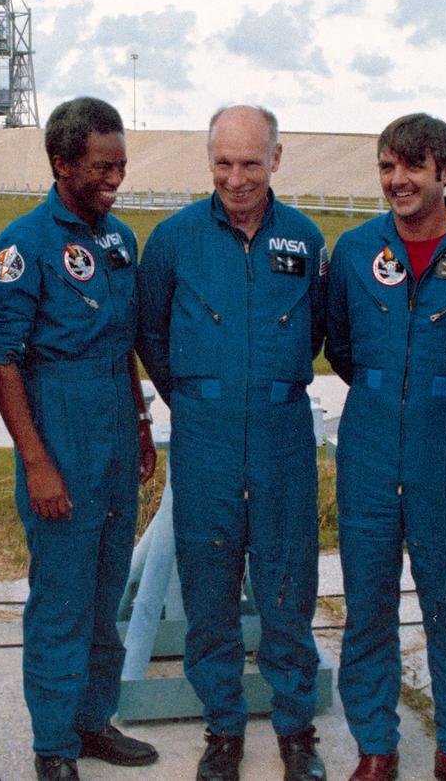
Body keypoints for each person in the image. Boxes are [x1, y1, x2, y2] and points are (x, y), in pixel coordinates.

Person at [324, 113, 446, 781]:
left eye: (412, 166)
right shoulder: (356, 249)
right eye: (387, 167)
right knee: (368, 607)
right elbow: (341, 347)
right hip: (369, 451)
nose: (397, 180)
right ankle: (375, 744)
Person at [136, 104, 328, 781]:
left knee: (287, 584)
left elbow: (316, 332)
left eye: (250, 163)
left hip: (282, 435)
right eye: (224, 163)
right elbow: (150, 332)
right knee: (209, 586)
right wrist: (196, 396)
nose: (236, 178)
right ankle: (222, 727)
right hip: (205, 436)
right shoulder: (173, 239)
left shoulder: (304, 238)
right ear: (209, 160)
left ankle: (296, 729)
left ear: (276, 159)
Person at [0, 97, 158, 781]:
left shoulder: (119, 240)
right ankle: (53, 744)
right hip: (58, 426)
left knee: (107, 591)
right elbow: (2, 358)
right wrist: (37, 463)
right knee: (61, 597)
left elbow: (124, 342)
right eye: (100, 167)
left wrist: (141, 422)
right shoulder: (23, 246)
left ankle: (92, 721)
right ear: (61, 164)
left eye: (120, 165)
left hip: (114, 421)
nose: (114, 178)